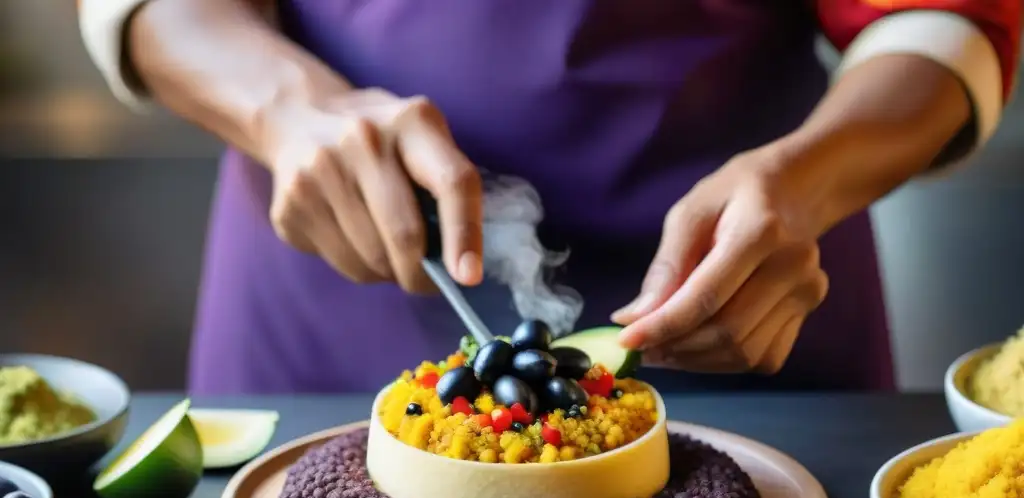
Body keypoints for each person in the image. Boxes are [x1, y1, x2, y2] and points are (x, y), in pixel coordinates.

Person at [78, 1, 1020, 394]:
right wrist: (285, 109)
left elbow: (943, 21)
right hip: (331, 300)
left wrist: (807, 180)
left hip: (752, 295)